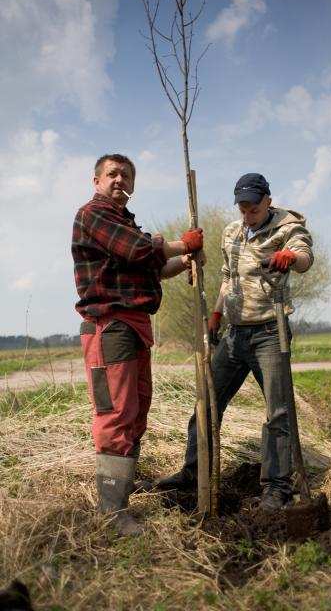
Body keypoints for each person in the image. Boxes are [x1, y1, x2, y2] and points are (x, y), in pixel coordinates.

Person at [157, 173, 313, 511]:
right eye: (242, 209)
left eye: (253, 209)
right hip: (235, 333)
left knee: (278, 412)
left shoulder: (289, 227)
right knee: (207, 402)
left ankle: (276, 488)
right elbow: (228, 277)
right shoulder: (233, 232)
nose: (247, 215)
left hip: (271, 333)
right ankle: (193, 472)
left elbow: (304, 258)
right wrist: (217, 314)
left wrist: (291, 258)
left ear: (267, 202)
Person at [72, 153, 203, 536]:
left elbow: (151, 267)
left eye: (126, 175)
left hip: (133, 326)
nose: (119, 180)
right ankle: (111, 514)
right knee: (115, 415)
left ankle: (122, 492)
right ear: (96, 180)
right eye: (112, 174)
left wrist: (187, 260)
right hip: (109, 328)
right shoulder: (94, 214)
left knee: (135, 410)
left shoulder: (123, 223)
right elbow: (140, 251)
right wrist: (182, 243)